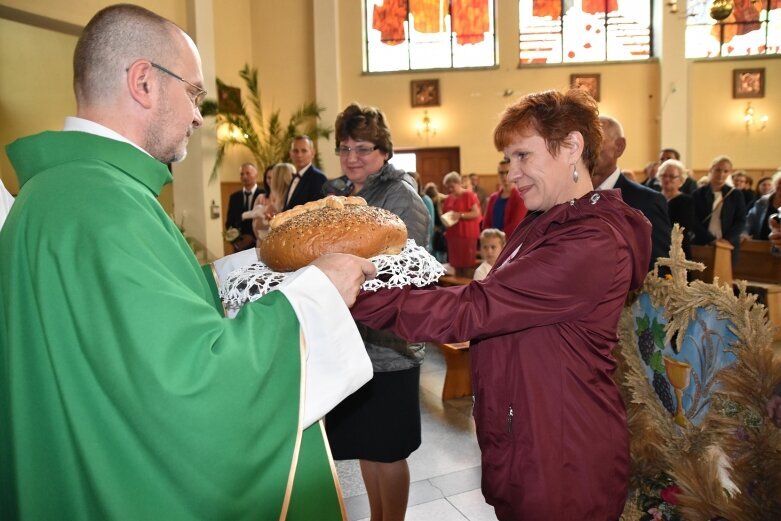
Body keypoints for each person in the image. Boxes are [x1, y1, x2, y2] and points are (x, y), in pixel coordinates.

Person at [0, 5, 378, 520]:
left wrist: (227, 278)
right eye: (194, 93)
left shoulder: (56, 193)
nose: (199, 114)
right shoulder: (104, 207)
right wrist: (319, 292)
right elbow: (196, 386)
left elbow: (125, 325)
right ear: (144, 83)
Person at [351, 89, 652, 520]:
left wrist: (356, 295)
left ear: (571, 147)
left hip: (562, 450)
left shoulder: (592, 241)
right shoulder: (543, 221)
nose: (512, 173)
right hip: (526, 432)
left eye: (523, 156)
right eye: (509, 159)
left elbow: (476, 308)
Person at [323, 102, 430, 521]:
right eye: (344, 148)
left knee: (389, 450)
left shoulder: (402, 198)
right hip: (351, 341)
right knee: (368, 446)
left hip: (390, 344)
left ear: (384, 150)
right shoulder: (342, 194)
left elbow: (406, 272)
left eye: (362, 148)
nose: (352, 157)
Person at [592, 115, 672, 272]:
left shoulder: (646, 201)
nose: (586, 150)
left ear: (619, 147)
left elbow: (659, 268)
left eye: (596, 141)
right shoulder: (568, 197)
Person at [691, 155, 746, 265]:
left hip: (727, 244)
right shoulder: (698, 194)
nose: (721, 174)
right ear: (711, 170)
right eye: (718, 170)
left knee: (723, 279)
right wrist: (711, 239)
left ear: (729, 173)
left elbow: (740, 220)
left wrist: (726, 240)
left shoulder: (735, 194)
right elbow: (693, 220)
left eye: (725, 171)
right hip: (703, 241)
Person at [442, 171, 482, 277]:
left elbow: (476, 213)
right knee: (456, 265)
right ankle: (459, 288)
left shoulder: (468, 195)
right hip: (453, 235)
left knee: (467, 265)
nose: (450, 190)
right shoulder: (449, 198)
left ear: (458, 183)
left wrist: (460, 215)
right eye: (448, 187)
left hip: (467, 235)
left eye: (452, 186)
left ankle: (467, 289)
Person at [659, 159, 696, 259]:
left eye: (672, 176)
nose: (667, 179)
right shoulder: (654, 198)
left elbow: (683, 227)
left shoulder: (686, 201)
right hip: (657, 248)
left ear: (681, 179)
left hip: (678, 249)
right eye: (664, 175)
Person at [250, 162, 295, 242]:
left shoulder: (289, 202)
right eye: (268, 177)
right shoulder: (264, 200)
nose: (271, 180)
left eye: (273, 177)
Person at [481, 158, 527, 235]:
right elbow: (486, 223)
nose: (505, 176)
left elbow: (516, 225)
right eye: (501, 173)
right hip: (492, 242)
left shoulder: (521, 197)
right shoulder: (493, 197)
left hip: (510, 241)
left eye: (507, 172)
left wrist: (497, 238)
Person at [283, 134, 327, 211]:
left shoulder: (318, 178)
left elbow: (317, 211)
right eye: (295, 151)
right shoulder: (294, 177)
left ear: (312, 153)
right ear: (290, 154)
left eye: (304, 151)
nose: (299, 155)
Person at [225, 162, 262, 251]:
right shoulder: (234, 197)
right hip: (239, 247)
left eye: (248, 173)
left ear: (256, 175)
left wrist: (252, 237)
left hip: (258, 245)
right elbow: (230, 222)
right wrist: (235, 239)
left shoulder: (263, 195)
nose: (244, 176)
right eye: (242, 174)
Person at [745, 170, 781, 241]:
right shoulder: (763, 201)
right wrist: (744, 234)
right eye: (779, 184)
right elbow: (749, 221)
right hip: (760, 244)